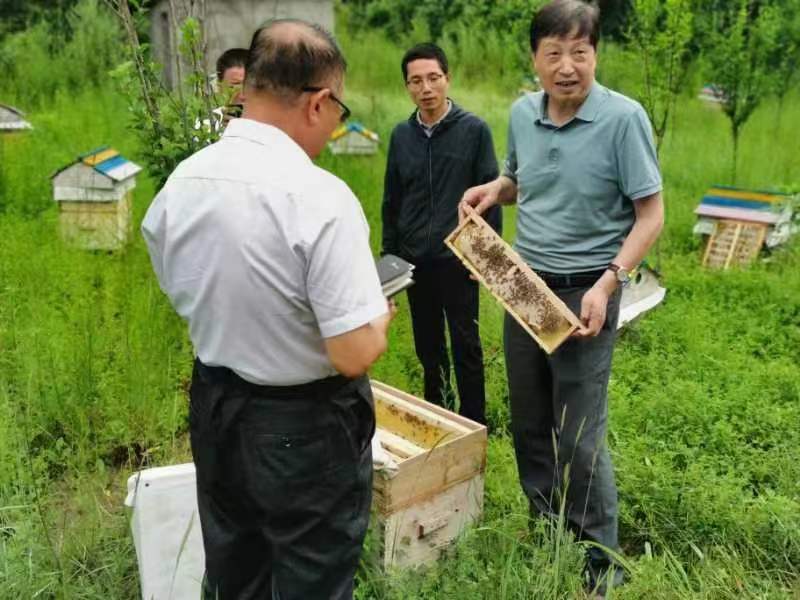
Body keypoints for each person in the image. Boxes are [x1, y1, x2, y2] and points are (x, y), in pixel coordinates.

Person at [142, 19, 394, 600]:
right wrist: (378, 315)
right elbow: (353, 352)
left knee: (236, 570)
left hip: (216, 405)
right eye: (338, 111)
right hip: (304, 427)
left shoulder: (183, 182)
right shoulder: (319, 197)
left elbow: (181, 287)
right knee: (312, 577)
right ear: (319, 103)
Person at [461, 1, 664, 595]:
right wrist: (494, 189)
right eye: (554, 53)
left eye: (579, 52)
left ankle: (602, 562)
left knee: (578, 433)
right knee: (529, 422)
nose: (567, 66)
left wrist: (608, 283)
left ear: (596, 54)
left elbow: (651, 215)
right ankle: (549, 534)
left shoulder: (624, 118)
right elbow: (521, 180)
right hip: (522, 282)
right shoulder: (522, 113)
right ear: (535, 58)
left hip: (586, 290)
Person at [382, 42, 501, 425]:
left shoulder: (474, 131)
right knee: (428, 346)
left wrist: (486, 260)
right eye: (416, 81)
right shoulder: (401, 136)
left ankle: (474, 423)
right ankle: (439, 417)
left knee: (467, 344)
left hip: (459, 258)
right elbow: (392, 200)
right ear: (407, 86)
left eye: (433, 78)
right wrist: (390, 258)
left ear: (447, 78)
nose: (426, 88)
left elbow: (491, 195)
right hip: (416, 260)